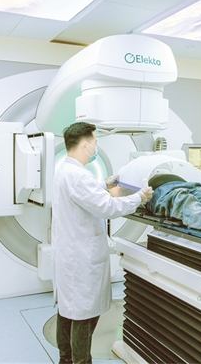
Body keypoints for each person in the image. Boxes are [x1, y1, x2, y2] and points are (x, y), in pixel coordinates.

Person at [52, 122, 153, 364]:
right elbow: (107, 207)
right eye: (95, 143)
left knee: (68, 311)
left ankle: (66, 360)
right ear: (85, 145)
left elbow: (85, 194)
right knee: (83, 316)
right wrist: (139, 197)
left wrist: (104, 184)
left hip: (70, 254)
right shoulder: (78, 176)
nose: (95, 147)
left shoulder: (65, 169)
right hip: (81, 257)